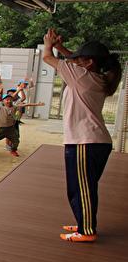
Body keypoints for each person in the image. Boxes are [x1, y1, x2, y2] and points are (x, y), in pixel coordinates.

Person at [42, 29, 121, 243]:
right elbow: (73, 60)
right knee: (83, 186)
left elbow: (47, 58)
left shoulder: (81, 75)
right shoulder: (97, 76)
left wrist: (49, 44)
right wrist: (61, 47)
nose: (75, 60)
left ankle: (87, 231)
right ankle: (83, 222)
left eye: (80, 58)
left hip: (86, 141)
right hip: (94, 141)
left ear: (88, 62)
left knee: (81, 188)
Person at [0, 87, 44, 157]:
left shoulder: (15, 107)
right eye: (7, 100)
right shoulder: (0, 107)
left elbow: (26, 104)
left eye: (10, 99)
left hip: (11, 129)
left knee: (16, 141)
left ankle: (13, 150)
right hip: (2, 129)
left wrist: (37, 104)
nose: (9, 101)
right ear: (3, 101)